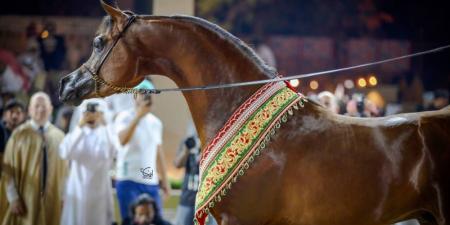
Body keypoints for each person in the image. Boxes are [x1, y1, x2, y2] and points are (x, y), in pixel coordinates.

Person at [0, 92, 68, 225]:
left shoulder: (59, 137)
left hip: (52, 199)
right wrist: (13, 198)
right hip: (25, 199)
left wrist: (64, 197)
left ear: (51, 109)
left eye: (44, 106)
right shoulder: (18, 135)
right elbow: (8, 171)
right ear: (30, 110)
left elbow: (65, 172)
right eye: (36, 106)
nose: (41, 109)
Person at [114, 80, 170, 222]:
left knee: (156, 220)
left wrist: (165, 182)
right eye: (143, 93)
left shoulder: (156, 122)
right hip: (128, 180)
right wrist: (138, 116)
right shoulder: (124, 117)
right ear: (134, 95)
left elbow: (158, 153)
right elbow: (122, 140)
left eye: (150, 93)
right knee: (131, 221)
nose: (147, 96)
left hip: (150, 181)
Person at [59, 99, 117, 225]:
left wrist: (105, 123)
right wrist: (80, 125)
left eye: (95, 112)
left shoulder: (105, 134)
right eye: (88, 112)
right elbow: (65, 152)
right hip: (77, 190)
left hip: (100, 191)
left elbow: (112, 151)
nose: (91, 116)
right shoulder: (77, 133)